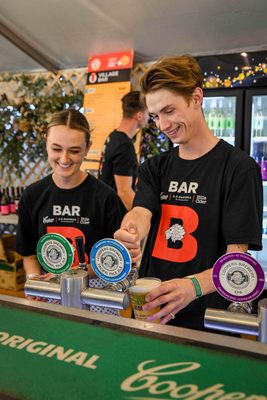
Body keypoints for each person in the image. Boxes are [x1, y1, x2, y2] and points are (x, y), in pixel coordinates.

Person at [114, 55, 263, 331]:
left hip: (208, 317)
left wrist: (192, 286)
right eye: (156, 116)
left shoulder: (240, 169)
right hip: (150, 309)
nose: (162, 125)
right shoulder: (155, 167)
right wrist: (131, 230)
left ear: (196, 98)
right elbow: (141, 211)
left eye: (169, 111)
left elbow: (237, 258)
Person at [16, 109, 125, 315]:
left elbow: (116, 257)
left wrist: (73, 276)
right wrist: (34, 284)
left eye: (74, 151)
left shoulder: (105, 198)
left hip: (96, 295)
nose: (64, 159)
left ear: (88, 148)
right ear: (46, 143)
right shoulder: (33, 195)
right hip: (49, 292)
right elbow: (29, 254)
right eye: (56, 148)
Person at [99, 91, 149, 210]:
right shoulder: (124, 145)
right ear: (139, 116)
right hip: (115, 213)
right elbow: (124, 192)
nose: (149, 118)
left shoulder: (114, 136)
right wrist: (142, 216)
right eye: (148, 113)